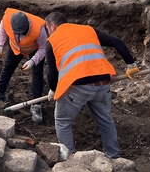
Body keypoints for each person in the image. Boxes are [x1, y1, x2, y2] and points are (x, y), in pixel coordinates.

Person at [44, 11, 140, 159]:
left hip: (77, 86)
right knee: (105, 120)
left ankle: (69, 160)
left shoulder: (52, 40)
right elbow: (118, 42)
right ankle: (113, 157)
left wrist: (53, 90)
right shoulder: (88, 30)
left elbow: (52, 74)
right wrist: (131, 64)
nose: (48, 32)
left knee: (63, 121)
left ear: (52, 26)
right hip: (102, 82)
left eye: (47, 29)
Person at [0, 9, 47, 123]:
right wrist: (0, 44)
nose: (20, 35)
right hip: (15, 47)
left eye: (22, 32)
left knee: (37, 74)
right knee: (7, 67)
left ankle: (36, 104)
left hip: (35, 49)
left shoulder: (39, 30)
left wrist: (33, 61)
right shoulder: (7, 19)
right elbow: (3, 29)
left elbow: (43, 48)